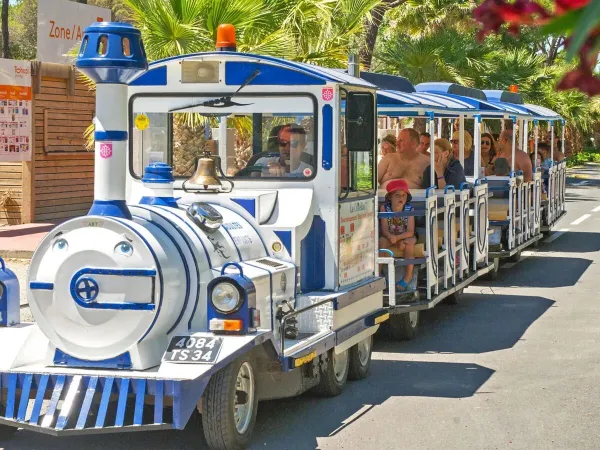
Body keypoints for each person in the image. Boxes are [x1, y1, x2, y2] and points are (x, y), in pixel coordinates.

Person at [379, 179, 417, 291]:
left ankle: (407, 277)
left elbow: (410, 231)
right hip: (389, 236)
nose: (401, 198)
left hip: (405, 236)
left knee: (409, 244)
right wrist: (390, 236)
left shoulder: (410, 209)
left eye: (404, 195)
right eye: (397, 195)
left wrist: (398, 238)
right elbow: (384, 229)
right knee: (381, 242)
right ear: (390, 197)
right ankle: (379, 274)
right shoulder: (384, 208)